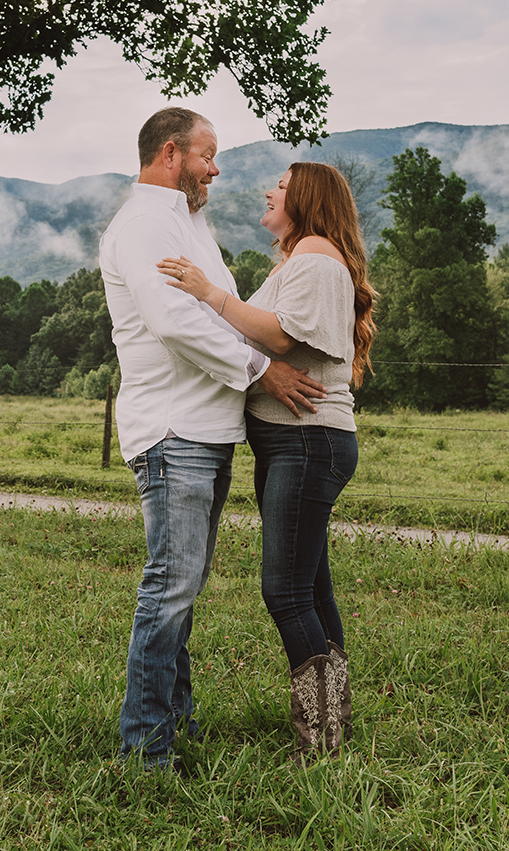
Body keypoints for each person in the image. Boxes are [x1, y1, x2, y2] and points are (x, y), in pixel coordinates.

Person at [101, 107, 326, 770]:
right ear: (170, 154)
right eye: (208, 154)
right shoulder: (144, 225)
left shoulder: (187, 224)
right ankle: (144, 751)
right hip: (174, 429)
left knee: (184, 588)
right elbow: (175, 324)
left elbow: (218, 313)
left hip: (206, 429)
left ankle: (179, 724)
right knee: (170, 588)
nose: (216, 167)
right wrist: (263, 371)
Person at [156, 161, 377, 759]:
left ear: (304, 198)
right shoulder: (304, 259)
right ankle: (332, 726)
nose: (268, 191)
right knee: (312, 588)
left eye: (279, 186)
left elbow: (280, 336)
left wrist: (209, 292)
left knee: (284, 592)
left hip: (307, 442)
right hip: (294, 443)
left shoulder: (313, 257)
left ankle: (320, 742)